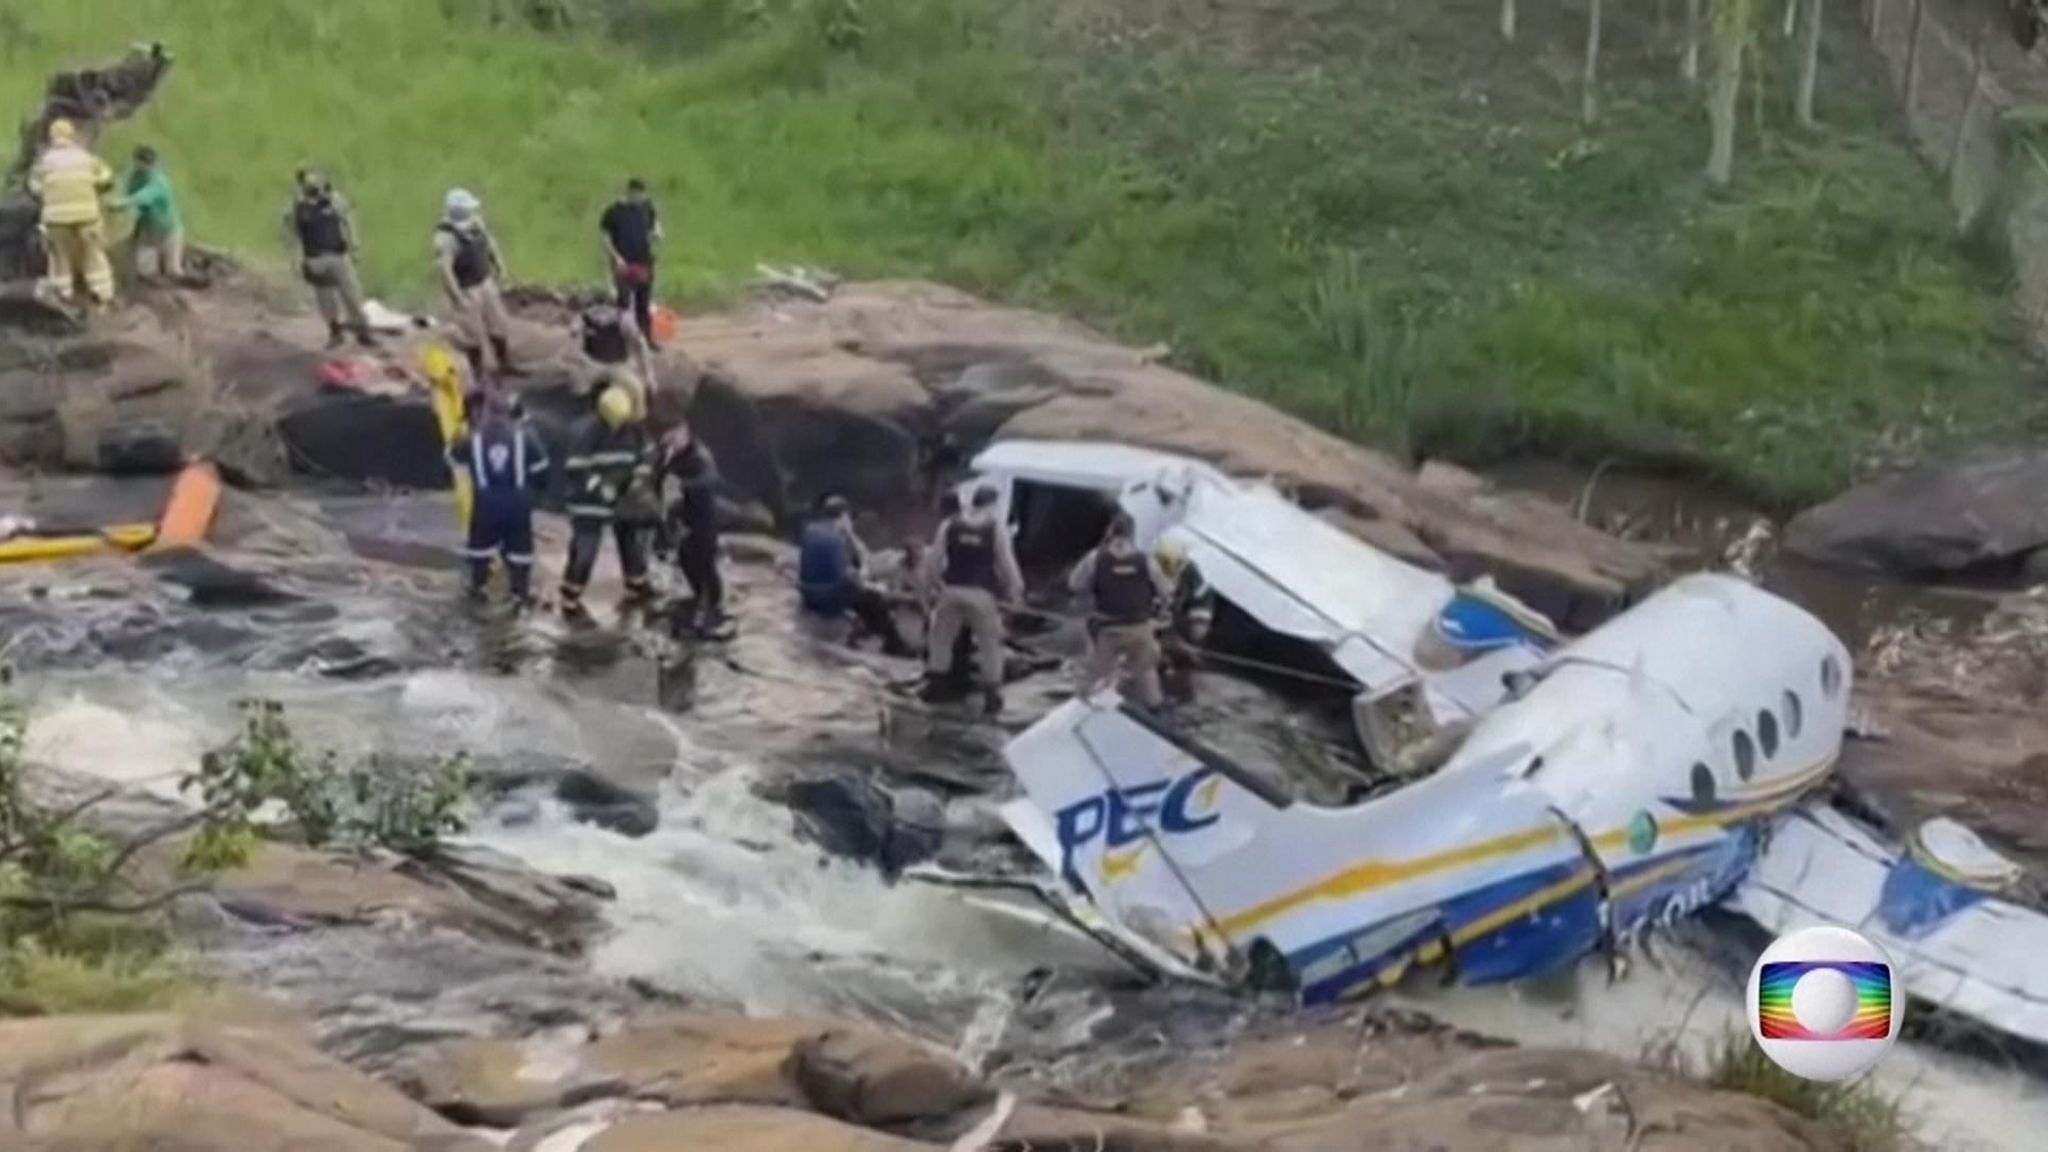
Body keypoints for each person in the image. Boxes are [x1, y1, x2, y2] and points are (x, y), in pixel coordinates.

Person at [918, 485, 1023, 714]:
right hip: (982, 594)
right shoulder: (996, 529)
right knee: (990, 645)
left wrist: (934, 587)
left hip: (952, 590)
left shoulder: (949, 525)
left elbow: (933, 562)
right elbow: (1007, 565)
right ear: (992, 504)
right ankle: (992, 695)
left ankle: (936, 686)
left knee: (941, 641)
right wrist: (1015, 591)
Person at [559, 385, 656, 619]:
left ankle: (637, 584)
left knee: (630, 542)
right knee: (585, 550)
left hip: (623, 496)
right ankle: (570, 595)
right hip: (588, 502)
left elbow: (647, 456)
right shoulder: (586, 432)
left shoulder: (634, 430)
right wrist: (599, 486)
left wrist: (638, 480)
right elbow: (575, 467)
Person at [449, 390, 549, 609]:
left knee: (480, 549)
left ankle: (477, 590)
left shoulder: (472, 438)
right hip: (518, 502)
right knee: (520, 551)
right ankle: (519, 596)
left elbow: (452, 457)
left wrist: (462, 429)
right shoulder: (526, 436)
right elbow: (542, 469)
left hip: (486, 502)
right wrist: (534, 491)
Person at [1067, 513, 1174, 711]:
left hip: (1107, 629)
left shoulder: (1095, 557)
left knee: (1097, 679)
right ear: (1133, 534)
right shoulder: (1146, 560)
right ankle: (1156, 708)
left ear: (1110, 532)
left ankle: (1088, 712)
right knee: (1147, 671)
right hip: (1140, 628)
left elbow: (1074, 584)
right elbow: (1166, 590)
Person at [798, 494, 914, 656]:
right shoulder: (839, 538)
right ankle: (893, 645)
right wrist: (868, 582)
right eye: (849, 517)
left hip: (807, 592)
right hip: (829, 596)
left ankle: (864, 633)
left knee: (865, 593)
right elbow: (847, 575)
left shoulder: (810, 530)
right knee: (875, 599)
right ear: (844, 516)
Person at [26, 119, 115, 309]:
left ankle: (64, 298)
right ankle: (102, 297)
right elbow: (106, 179)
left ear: (52, 138)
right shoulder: (86, 158)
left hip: (57, 220)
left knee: (60, 258)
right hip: (88, 217)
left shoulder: (44, 162)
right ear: (72, 136)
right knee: (93, 255)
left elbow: (34, 189)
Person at [287, 169, 377, 348]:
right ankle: (335, 333)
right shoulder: (299, 207)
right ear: (302, 184)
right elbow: (293, 234)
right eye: (309, 181)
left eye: (316, 179)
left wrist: (354, 245)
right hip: (315, 259)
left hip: (338, 255)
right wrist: (297, 260)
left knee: (353, 296)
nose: (314, 184)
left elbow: (348, 219)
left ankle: (363, 332)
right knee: (326, 299)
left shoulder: (332, 200)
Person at [433, 188, 518, 379]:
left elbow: (489, 243)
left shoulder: (476, 223)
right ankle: (479, 374)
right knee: (472, 335)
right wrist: (458, 297)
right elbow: (446, 271)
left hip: (485, 282)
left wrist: (500, 266)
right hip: (467, 289)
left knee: (499, 325)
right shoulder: (446, 238)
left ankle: (504, 365)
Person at [657, 422, 728, 636]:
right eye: (670, 436)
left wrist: (681, 484)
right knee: (686, 558)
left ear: (687, 435)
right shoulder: (669, 456)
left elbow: (709, 479)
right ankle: (697, 596)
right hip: (683, 516)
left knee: (705, 560)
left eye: (677, 436)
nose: (673, 440)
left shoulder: (700, 455)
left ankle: (713, 603)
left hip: (703, 517)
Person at [572, 299, 658, 422]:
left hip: (619, 365)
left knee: (637, 391)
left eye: (605, 310)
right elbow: (573, 339)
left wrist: (649, 375)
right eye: (597, 309)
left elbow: (640, 345)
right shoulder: (583, 318)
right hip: (591, 363)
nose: (601, 316)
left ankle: (637, 423)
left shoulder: (624, 320)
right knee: (578, 391)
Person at [599, 178, 661, 343]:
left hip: (644, 261)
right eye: (637, 194)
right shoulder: (614, 212)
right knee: (624, 302)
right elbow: (605, 238)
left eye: (642, 195)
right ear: (629, 192)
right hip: (623, 263)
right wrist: (616, 257)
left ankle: (647, 339)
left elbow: (655, 226)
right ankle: (621, 340)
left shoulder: (647, 209)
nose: (639, 198)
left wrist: (656, 234)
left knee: (644, 303)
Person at [115, 145, 182, 285]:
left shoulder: (158, 181)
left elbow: (143, 196)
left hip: (167, 227)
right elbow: (132, 194)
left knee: (173, 271)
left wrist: (122, 204)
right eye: (141, 162)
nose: (145, 166)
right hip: (147, 226)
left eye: (148, 163)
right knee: (146, 271)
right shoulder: (135, 178)